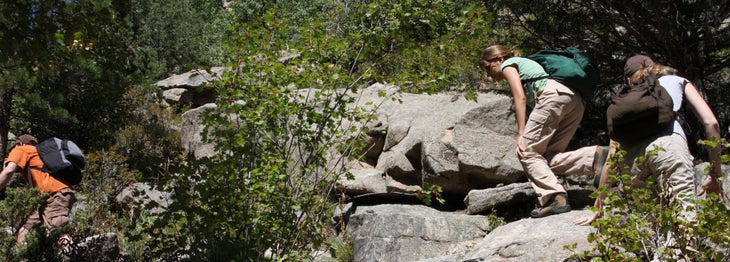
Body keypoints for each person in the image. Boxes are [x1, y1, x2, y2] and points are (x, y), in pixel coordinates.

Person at [574, 55, 723, 259]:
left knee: (656, 234)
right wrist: (715, 173)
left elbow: (612, 156)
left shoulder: (628, 101)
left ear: (628, 79)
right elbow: (711, 123)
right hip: (669, 149)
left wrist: (599, 204)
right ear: (656, 67)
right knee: (683, 228)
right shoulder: (676, 81)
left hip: (631, 160)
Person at [480, 45, 609, 218]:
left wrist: (521, 133)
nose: (488, 74)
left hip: (553, 96)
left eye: (488, 67)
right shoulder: (525, 63)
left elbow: (520, 97)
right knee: (545, 157)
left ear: (499, 59)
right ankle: (595, 157)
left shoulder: (508, 64)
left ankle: (554, 197)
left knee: (526, 151)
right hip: (576, 101)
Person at [0, 134, 76, 247]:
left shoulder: (22, 149)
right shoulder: (39, 154)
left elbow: (9, 171)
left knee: (58, 234)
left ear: (20, 144)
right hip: (50, 197)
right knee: (25, 230)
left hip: (55, 195)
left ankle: (77, 256)